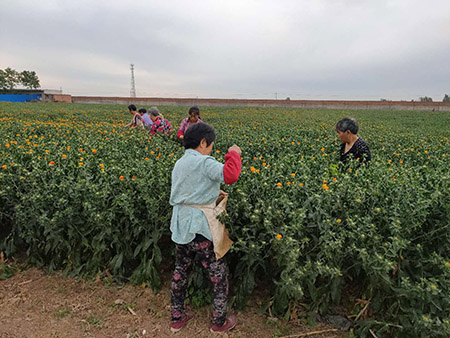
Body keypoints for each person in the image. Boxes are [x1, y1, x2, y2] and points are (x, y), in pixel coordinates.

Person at [169, 122, 241, 333]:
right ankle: (219, 323)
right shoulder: (204, 161)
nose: (211, 150)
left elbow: (190, 191)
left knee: (180, 271)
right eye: (211, 145)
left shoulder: (180, 163)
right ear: (203, 142)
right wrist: (233, 153)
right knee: (218, 275)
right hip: (201, 227)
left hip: (182, 225)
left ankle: (177, 318)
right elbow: (231, 175)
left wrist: (212, 194)